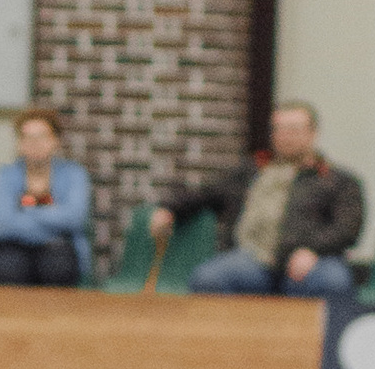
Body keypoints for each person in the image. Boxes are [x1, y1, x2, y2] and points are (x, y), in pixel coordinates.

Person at [152, 101, 364, 298]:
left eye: (294, 129)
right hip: (252, 261)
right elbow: (207, 192)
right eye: (279, 129)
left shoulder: (338, 180)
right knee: (208, 278)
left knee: (334, 282)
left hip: (312, 261)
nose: (285, 136)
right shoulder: (252, 170)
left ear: (312, 133)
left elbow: (347, 229)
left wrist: (313, 251)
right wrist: (170, 209)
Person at [0, 106, 92, 287]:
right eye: (28, 137)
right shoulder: (5, 175)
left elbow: (74, 218)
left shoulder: (74, 174)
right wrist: (51, 217)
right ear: (19, 143)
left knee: (58, 268)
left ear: (56, 141)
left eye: (42, 137)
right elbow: (3, 221)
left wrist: (26, 213)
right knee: (9, 269)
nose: (35, 143)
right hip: (10, 246)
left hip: (58, 248)